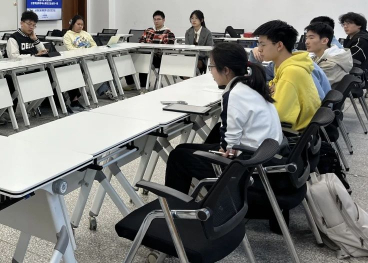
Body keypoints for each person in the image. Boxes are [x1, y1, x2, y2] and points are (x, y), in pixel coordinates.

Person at [164, 42, 284, 194]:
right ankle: (194, 197)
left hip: (249, 167)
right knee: (182, 148)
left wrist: (224, 149)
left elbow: (230, 146)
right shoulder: (251, 84)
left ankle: (175, 205)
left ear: (226, 70)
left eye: (212, 67)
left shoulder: (235, 94)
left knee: (178, 158)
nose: (211, 72)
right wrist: (225, 147)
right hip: (263, 157)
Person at [254, 20, 321, 131]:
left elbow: (278, 116)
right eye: (258, 44)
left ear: (279, 45)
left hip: (289, 134)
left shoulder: (291, 72)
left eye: (263, 44)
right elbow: (272, 91)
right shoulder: (286, 66)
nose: (259, 49)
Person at [127, 10, 176, 88]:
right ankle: (131, 83)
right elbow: (141, 42)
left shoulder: (168, 33)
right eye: (155, 19)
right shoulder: (148, 30)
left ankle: (143, 86)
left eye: (159, 19)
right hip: (147, 54)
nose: (156, 21)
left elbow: (169, 49)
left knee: (144, 59)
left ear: (164, 20)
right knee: (127, 58)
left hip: (159, 58)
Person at [305, 22, 353, 86]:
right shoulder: (319, 56)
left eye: (311, 38)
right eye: (306, 38)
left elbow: (310, 84)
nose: (306, 42)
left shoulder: (330, 64)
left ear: (324, 41)